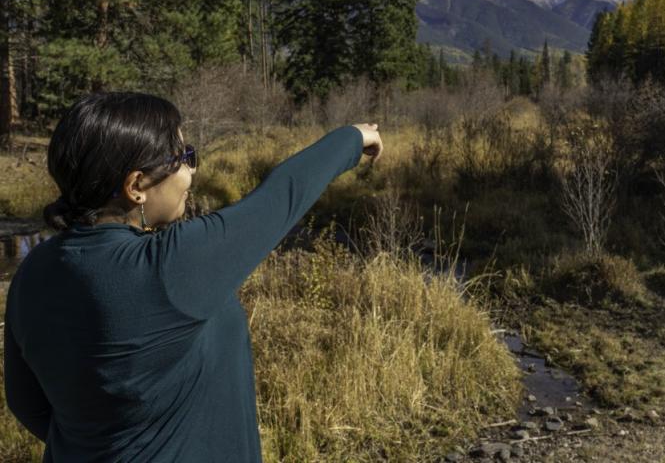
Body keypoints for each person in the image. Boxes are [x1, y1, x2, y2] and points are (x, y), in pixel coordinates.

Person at [3, 91, 383, 462]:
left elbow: (27, 405)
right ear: (135, 187)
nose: (192, 169)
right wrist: (353, 136)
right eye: (184, 157)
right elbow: (280, 196)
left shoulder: (33, 272)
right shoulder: (165, 268)